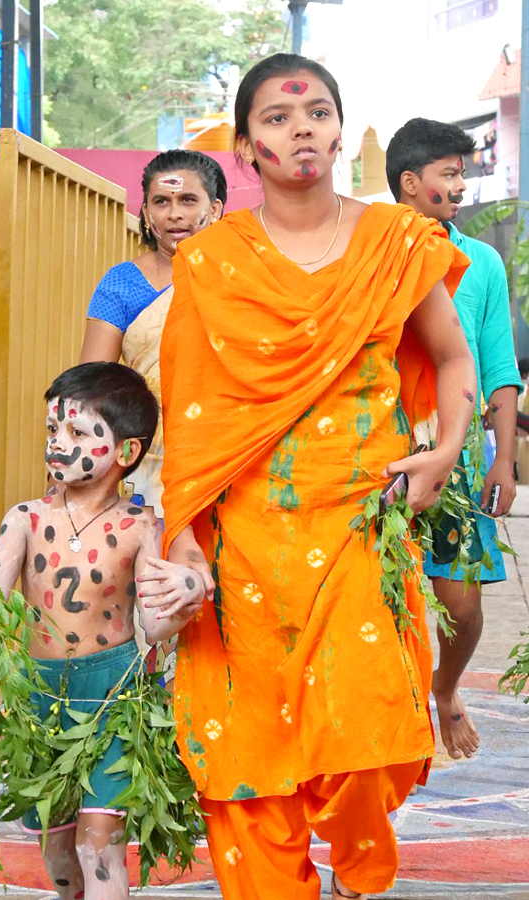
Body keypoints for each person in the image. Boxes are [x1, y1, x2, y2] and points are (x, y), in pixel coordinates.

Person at [158, 54, 476, 900]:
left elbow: (451, 360)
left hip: (361, 527)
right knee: (251, 749)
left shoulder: (396, 244)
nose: (300, 127)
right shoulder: (211, 262)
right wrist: (184, 537)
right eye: (276, 116)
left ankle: (358, 876)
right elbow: (190, 412)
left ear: (338, 130)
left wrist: (445, 452)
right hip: (249, 543)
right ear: (245, 145)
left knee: (367, 730)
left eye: (317, 112)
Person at [0, 362, 205, 900]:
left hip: (113, 697)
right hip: (38, 697)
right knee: (58, 855)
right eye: (53, 430)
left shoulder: (140, 527)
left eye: (78, 432)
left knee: (97, 845)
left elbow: (153, 622)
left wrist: (186, 595)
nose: (58, 443)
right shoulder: (25, 519)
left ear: (126, 453)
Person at [386, 118, 523, 761]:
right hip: (381, 452)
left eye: (462, 173)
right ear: (410, 184)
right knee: (386, 596)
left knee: (461, 606)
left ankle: (446, 688)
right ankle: (398, 710)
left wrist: (505, 460)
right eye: (449, 174)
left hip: (461, 457)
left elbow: (497, 365)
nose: (460, 185)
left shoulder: (485, 262)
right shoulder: (371, 252)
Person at [80, 149, 227, 519]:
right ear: (146, 213)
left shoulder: (238, 280)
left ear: (217, 209)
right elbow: (93, 388)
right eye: (161, 201)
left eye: (188, 200)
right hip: (146, 462)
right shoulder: (122, 284)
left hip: (226, 452)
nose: (174, 213)